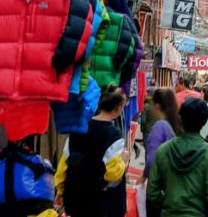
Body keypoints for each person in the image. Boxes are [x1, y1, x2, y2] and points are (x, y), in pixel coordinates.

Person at [56, 87, 128, 217]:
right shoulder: (114, 135)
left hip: (75, 197)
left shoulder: (79, 128)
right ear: (118, 108)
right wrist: (123, 161)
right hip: (99, 201)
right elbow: (111, 174)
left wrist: (60, 191)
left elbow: (64, 164)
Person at [147, 99, 208, 217]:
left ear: (180, 119)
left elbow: (152, 192)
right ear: (204, 122)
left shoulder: (163, 150)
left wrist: (169, 204)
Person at [145, 88, 183, 177]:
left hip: (161, 179)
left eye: (152, 103)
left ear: (157, 106)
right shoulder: (177, 123)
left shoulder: (160, 126)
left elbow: (151, 160)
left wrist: (144, 175)